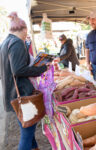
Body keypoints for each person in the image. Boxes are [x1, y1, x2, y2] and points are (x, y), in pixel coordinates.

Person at [0, 12, 49, 150]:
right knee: (27, 133)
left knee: (27, 126)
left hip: (14, 94)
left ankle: (35, 148)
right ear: (24, 30)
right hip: (22, 95)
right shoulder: (17, 43)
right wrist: (41, 68)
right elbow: (18, 70)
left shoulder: (5, 43)